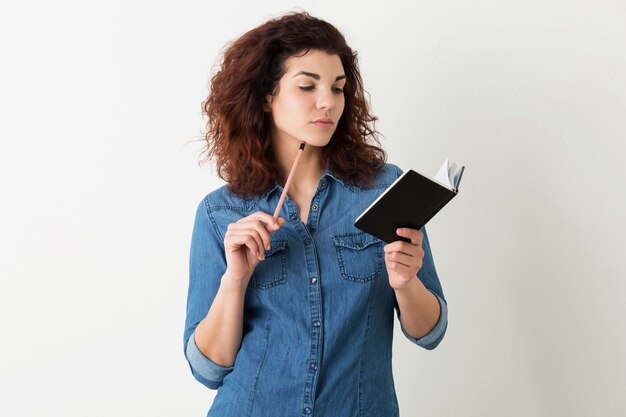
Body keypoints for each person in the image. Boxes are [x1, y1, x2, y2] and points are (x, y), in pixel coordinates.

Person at [183, 11, 448, 417]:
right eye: (307, 85)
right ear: (267, 96)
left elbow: (430, 333)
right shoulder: (221, 212)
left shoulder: (385, 191)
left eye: (338, 88)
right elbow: (208, 368)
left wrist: (406, 283)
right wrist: (235, 280)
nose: (327, 101)